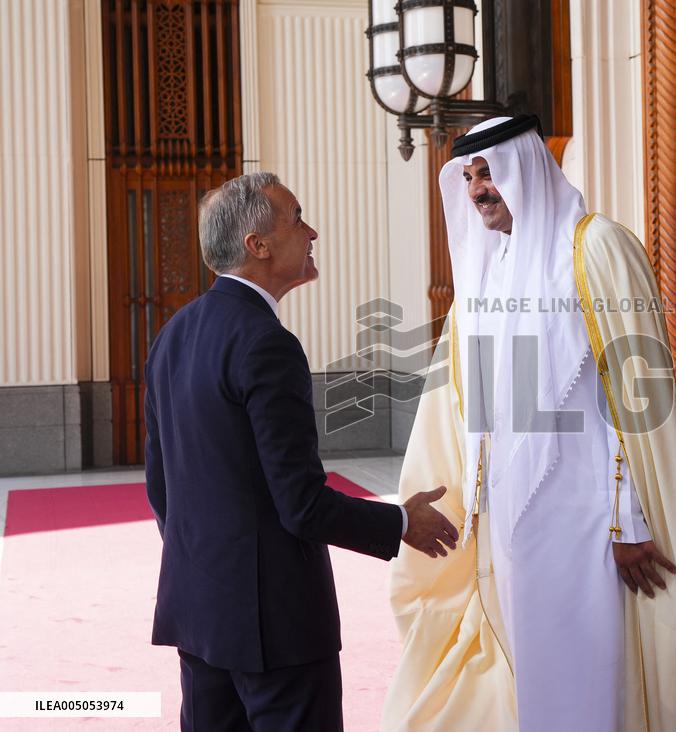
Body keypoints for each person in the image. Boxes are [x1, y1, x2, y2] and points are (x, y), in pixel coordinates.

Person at [382, 116, 676, 730]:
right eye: (468, 177)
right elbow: (471, 401)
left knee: (590, 663)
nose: (477, 191)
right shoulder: (488, 266)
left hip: (590, 515)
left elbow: (633, 395)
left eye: (488, 173)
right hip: (512, 515)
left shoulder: (595, 245)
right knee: (530, 661)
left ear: (525, 168)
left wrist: (629, 518)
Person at [144, 171, 457, 731]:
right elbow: (301, 505)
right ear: (257, 245)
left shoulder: (173, 333)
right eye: (296, 219)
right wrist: (402, 521)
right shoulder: (266, 343)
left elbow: (161, 487)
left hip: (199, 609)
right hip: (276, 623)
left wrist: (214, 564)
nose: (311, 232)